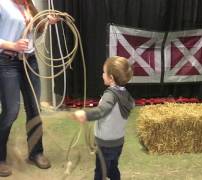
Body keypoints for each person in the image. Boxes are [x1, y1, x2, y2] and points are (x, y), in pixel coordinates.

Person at [0, 0, 59, 177]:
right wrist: (12, 45)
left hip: (29, 61)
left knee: (34, 108)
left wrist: (45, 23)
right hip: (7, 62)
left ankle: (36, 153)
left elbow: (34, 37)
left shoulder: (29, 6)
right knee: (11, 111)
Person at [73, 56, 135, 180]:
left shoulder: (110, 96)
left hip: (105, 144)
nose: (102, 74)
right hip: (118, 142)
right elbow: (131, 105)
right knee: (112, 168)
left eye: (104, 72)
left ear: (111, 78)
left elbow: (102, 111)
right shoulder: (126, 95)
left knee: (100, 172)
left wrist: (85, 115)